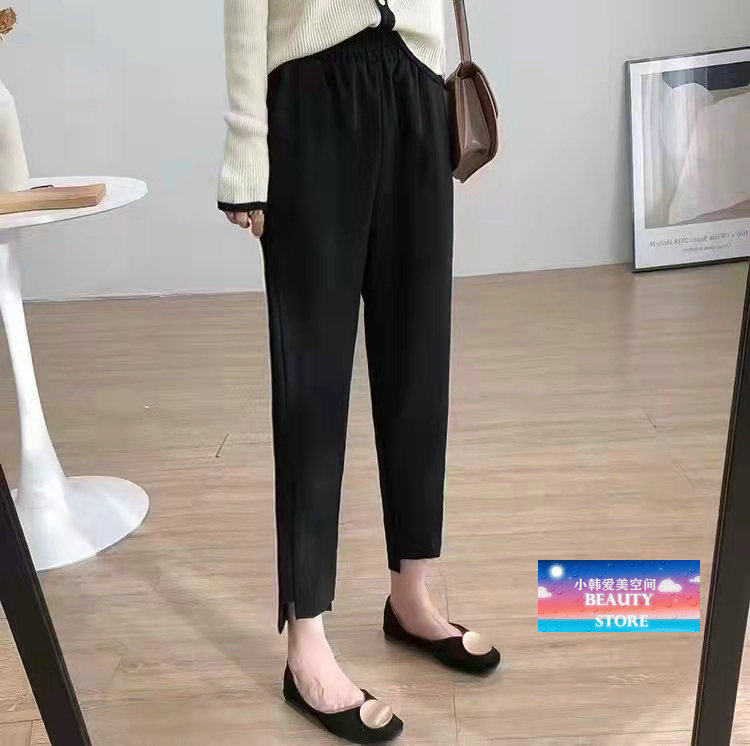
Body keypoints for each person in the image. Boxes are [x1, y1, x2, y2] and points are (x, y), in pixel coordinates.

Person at [218, 0, 500, 741]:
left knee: (419, 360)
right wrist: (247, 144)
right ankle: (306, 639)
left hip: (416, 85)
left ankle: (412, 594)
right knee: (312, 382)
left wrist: (432, 76)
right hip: (313, 92)